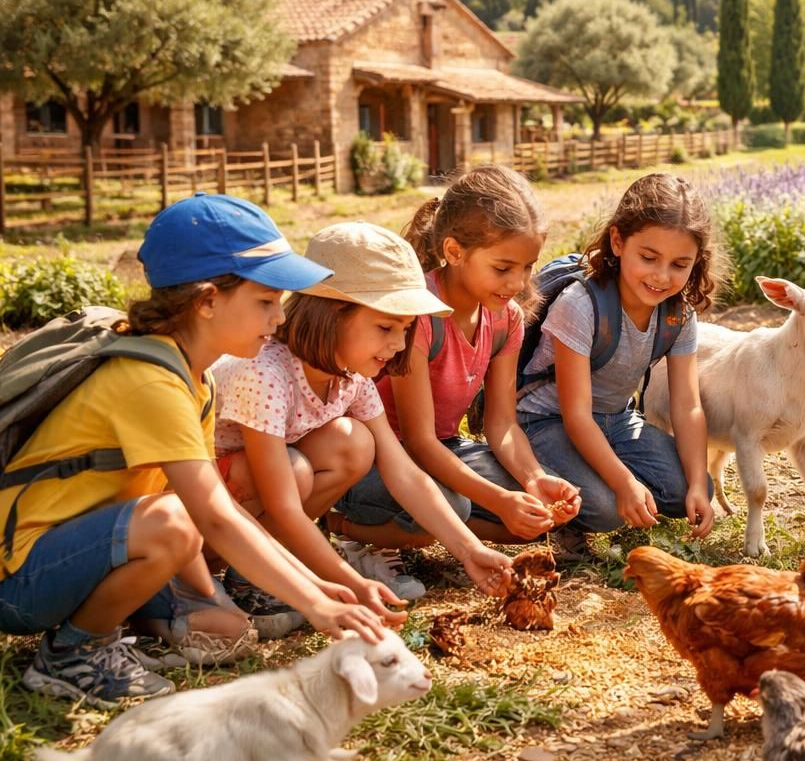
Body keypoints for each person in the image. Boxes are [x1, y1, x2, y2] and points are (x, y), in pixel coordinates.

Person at [0, 194, 388, 707]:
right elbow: (214, 517)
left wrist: (309, 584)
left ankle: (118, 621)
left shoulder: (193, 376)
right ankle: (72, 654)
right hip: (20, 579)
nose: (278, 319)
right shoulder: (149, 381)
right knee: (172, 522)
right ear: (207, 301)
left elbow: (213, 511)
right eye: (266, 301)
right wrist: (315, 601)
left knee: (225, 630)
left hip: (97, 547)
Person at [211, 222, 519, 635]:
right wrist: (349, 583)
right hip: (201, 511)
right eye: (385, 328)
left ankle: (264, 570)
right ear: (331, 314)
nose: (397, 344)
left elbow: (404, 473)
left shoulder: (350, 380)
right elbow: (282, 503)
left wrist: (469, 550)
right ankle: (243, 575)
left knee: (353, 443)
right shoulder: (265, 373)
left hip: (255, 501)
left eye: (406, 330)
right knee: (295, 470)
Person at [330, 166, 581, 578]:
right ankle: (345, 527)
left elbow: (501, 424)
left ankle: (435, 527)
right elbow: (419, 441)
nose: (518, 282)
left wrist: (533, 480)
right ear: (454, 251)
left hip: (445, 447)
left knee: (534, 515)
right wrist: (499, 501)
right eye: (503, 268)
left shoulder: (506, 319)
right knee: (455, 504)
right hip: (381, 455)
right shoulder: (420, 316)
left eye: (528, 267)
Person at [518, 173, 716, 550]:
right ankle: (523, 475)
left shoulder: (679, 315)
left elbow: (687, 406)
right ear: (618, 242)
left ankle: (592, 480)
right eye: (648, 257)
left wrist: (694, 485)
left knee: (692, 487)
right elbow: (575, 414)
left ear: (696, 263)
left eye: (680, 264)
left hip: (616, 419)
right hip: (546, 420)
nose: (661, 276)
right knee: (608, 508)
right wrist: (624, 483)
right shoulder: (580, 304)